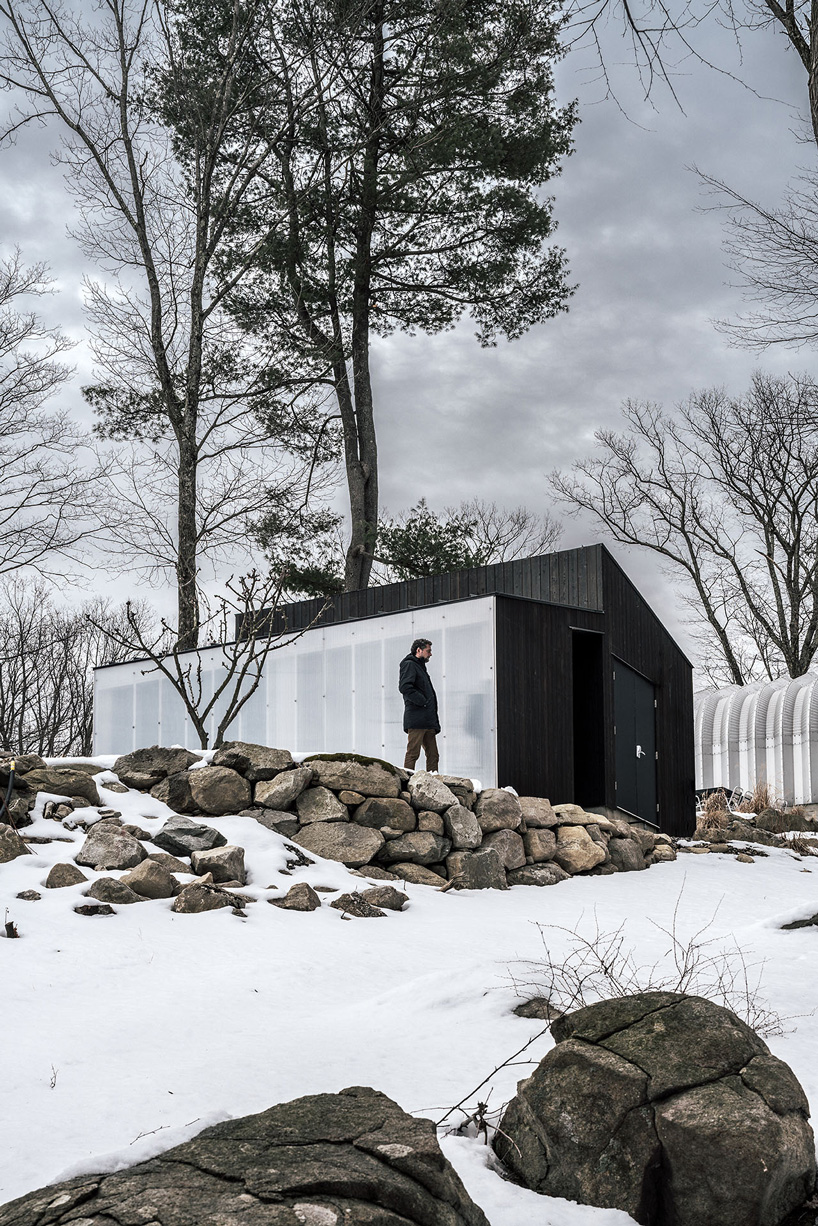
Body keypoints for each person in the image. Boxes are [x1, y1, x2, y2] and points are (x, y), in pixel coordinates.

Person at [399, 637, 440, 772]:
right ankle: (407, 783)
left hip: (427, 720)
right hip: (417, 719)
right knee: (413, 753)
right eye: (428, 651)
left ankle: (434, 784)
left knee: (433, 755)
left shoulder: (420, 667)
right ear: (419, 650)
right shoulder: (409, 664)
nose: (430, 654)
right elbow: (405, 687)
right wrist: (423, 702)